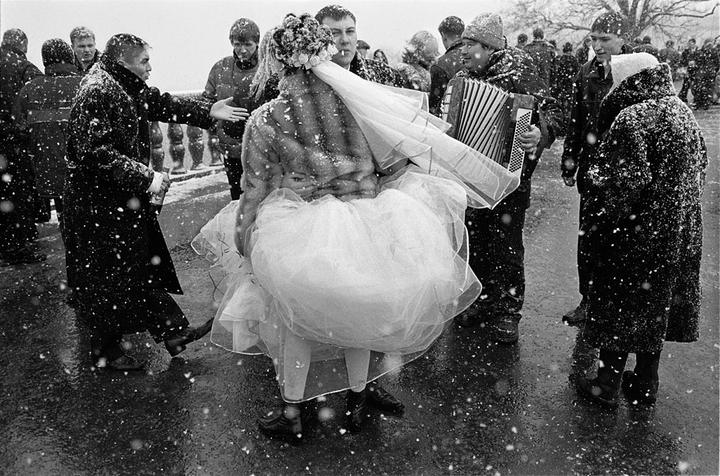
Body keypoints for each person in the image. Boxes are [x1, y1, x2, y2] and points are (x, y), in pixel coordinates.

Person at [193, 13, 519, 441]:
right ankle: (358, 399)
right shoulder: (361, 105)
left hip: (300, 229)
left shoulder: (267, 118)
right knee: (359, 314)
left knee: (295, 321)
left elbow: (254, 190)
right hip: (366, 219)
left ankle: (293, 411)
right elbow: (397, 163)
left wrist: (244, 237)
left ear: (278, 60)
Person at [63, 33, 246, 370]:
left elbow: (164, 104)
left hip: (119, 198)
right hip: (96, 205)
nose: (150, 67)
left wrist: (208, 111)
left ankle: (172, 332)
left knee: (137, 266)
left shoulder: (125, 85)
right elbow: (95, 153)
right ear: (124, 61)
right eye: (144, 61)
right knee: (108, 276)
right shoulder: (97, 90)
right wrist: (147, 177)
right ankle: (106, 351)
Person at [574, 53, 707, 408]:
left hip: (635, 234)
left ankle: (606, 384)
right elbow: (700, 170)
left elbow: (623, 185)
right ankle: (647, 383)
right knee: (655, 307)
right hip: (677, 232)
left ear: (628, 80)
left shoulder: (632, 118)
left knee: (621, 305)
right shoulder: (682, 112)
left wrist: (596, 187)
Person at [451, 13, 564, 343]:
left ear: (488, 48)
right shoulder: (460, 80)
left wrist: (539, 132)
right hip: (471, 178)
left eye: (469, 45)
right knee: (475, 242)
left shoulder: (519, 71)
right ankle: (482, 301)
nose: (462, 51)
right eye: (462, 44)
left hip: (509, 176)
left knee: (506, 247)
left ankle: (507, 310)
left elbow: (554, 111)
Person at [560, 12, 626, 325]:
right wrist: (569, 162)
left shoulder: (637, 71)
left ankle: (619, 305)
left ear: (622, 39)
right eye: (593, 39)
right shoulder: (585, 73)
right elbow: (576, 121)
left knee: (624, 240)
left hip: (627, 171)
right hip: (592, 169)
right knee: (589, 240)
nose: (597, 46)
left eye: (605, 39)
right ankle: (589, 300)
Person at [13, 39, 81, 230]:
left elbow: (18, 128)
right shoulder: (84, 85)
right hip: (82, 171)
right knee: (88, 224)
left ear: (45, 60)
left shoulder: (30, 89)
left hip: (49, 170)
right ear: (70, 57)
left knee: (65, 221)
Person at [0, 28, 44, 266]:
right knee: (18, 193)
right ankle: (17, 245)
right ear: (24, 45)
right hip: (15, 143)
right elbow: (41, 94)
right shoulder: (23, 67)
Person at [203, 18, 259, 200]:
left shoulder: (268, 68)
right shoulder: (220, 68)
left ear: (257, 43)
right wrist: (218, 128)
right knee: (238, 199)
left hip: (262, 149)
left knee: (265, 200)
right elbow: (207, 102)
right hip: (231, 147)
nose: (242, 50)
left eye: (248, 44)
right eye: (237, 44)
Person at [315, 4, 404, 87]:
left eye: (350, 31)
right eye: (334, 33)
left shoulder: (386, 75)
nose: (345, 40)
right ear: (319, 38)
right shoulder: (308, 81)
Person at [430, 15, 465, 116]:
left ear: (443, 35)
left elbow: (434, 106)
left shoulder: (441, 64)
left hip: (451, 119)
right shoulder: (475, 56)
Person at [553, 42, 580, 134]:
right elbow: (577, 74)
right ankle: (567, 128)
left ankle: (560, 128)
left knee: (560, 107)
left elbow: (556, 74)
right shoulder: (574, 60)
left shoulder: (560, 59)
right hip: (570, 87)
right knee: (569, 108)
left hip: (561, 88)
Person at [691, 38, 719, 110]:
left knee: (700, 87)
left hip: (701, 73)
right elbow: (717, 63)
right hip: (709, 73)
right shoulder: (714, 52)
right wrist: (714, 71)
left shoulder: (700, 52)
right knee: (708, 88)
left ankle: (699, 102)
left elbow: (696, 62)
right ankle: (705, 103)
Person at [678, 38, 698, 104]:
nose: (690, 45)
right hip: (688, 70)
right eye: (689, 43)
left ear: (694, 44)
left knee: (695, 84)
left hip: (695, 70)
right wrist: (687, 63)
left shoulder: (698, 51)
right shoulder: (685, 52)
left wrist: (695, 62)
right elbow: (682, 61)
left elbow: (699, 59)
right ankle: (683, 97)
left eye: (691, 43)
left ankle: (696, 98)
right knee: (686, 84)